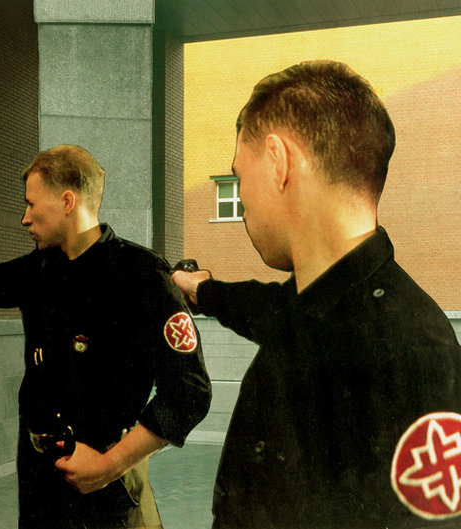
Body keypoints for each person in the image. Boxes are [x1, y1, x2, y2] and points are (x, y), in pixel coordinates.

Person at [172, 60, 461, 527]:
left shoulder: (410, 352)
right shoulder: (317, 304)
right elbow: (261, 307)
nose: (241, 200)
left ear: (278, 161)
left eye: (239, 177)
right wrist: (200, 289)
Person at [0, 144, 212, 529]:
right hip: (40, 485)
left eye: (31, 204)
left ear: (66, 201)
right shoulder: (41, 269)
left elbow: (190, 390)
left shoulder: (141, 274)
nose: (24, 218)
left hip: (108, 490)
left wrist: (110, 465)